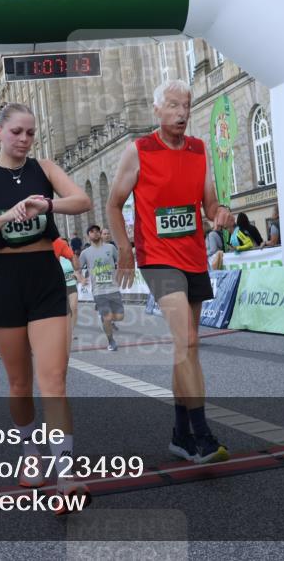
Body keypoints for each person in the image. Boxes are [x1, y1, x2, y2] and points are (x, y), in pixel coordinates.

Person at [0, 102, 92, 511]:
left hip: (44, 275)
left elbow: (82, 201)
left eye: (30, 133)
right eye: (16, 132)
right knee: (19, 383)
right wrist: (0, 221)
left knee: (55, 380)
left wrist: (45, 205)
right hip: (4, 280)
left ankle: (65, 471)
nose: (24, 139)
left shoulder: (44, 169)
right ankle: (31, 449)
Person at [107, 79, 235, 465]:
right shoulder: (139, 151)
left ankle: (180, 434)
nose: (182, 113)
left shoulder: (199, 150)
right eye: (174, 106)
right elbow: (114, 205)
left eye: (187, 106)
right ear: (157, 109)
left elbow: (209, 204)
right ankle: (202, 437)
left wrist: (220, 214)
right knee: (189, 340)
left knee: (186, 348)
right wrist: (126, 250)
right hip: (157, 258)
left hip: (193, 256)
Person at [78, 225, 124, 351]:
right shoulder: (85, 253)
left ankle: (104, 318)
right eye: (92, 232)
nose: (96, 233)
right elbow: (77, 269)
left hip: (113, 288)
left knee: (120, 316)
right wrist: (82, 279)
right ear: (88, 236)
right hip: (98, 291)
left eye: (97, 231)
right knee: (107, 317)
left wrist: (120, 272)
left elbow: (119, 262)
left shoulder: (110, 247)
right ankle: (111, 341)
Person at [53, 237, 84, 344]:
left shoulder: (72, 258)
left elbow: (77, 269)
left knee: (74, 308)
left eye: (66, 245)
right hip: (60, 287)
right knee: (63, 311)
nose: (65, 247)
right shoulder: (55, 257)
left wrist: (77, 276)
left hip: (71, 285)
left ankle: (71, 331)